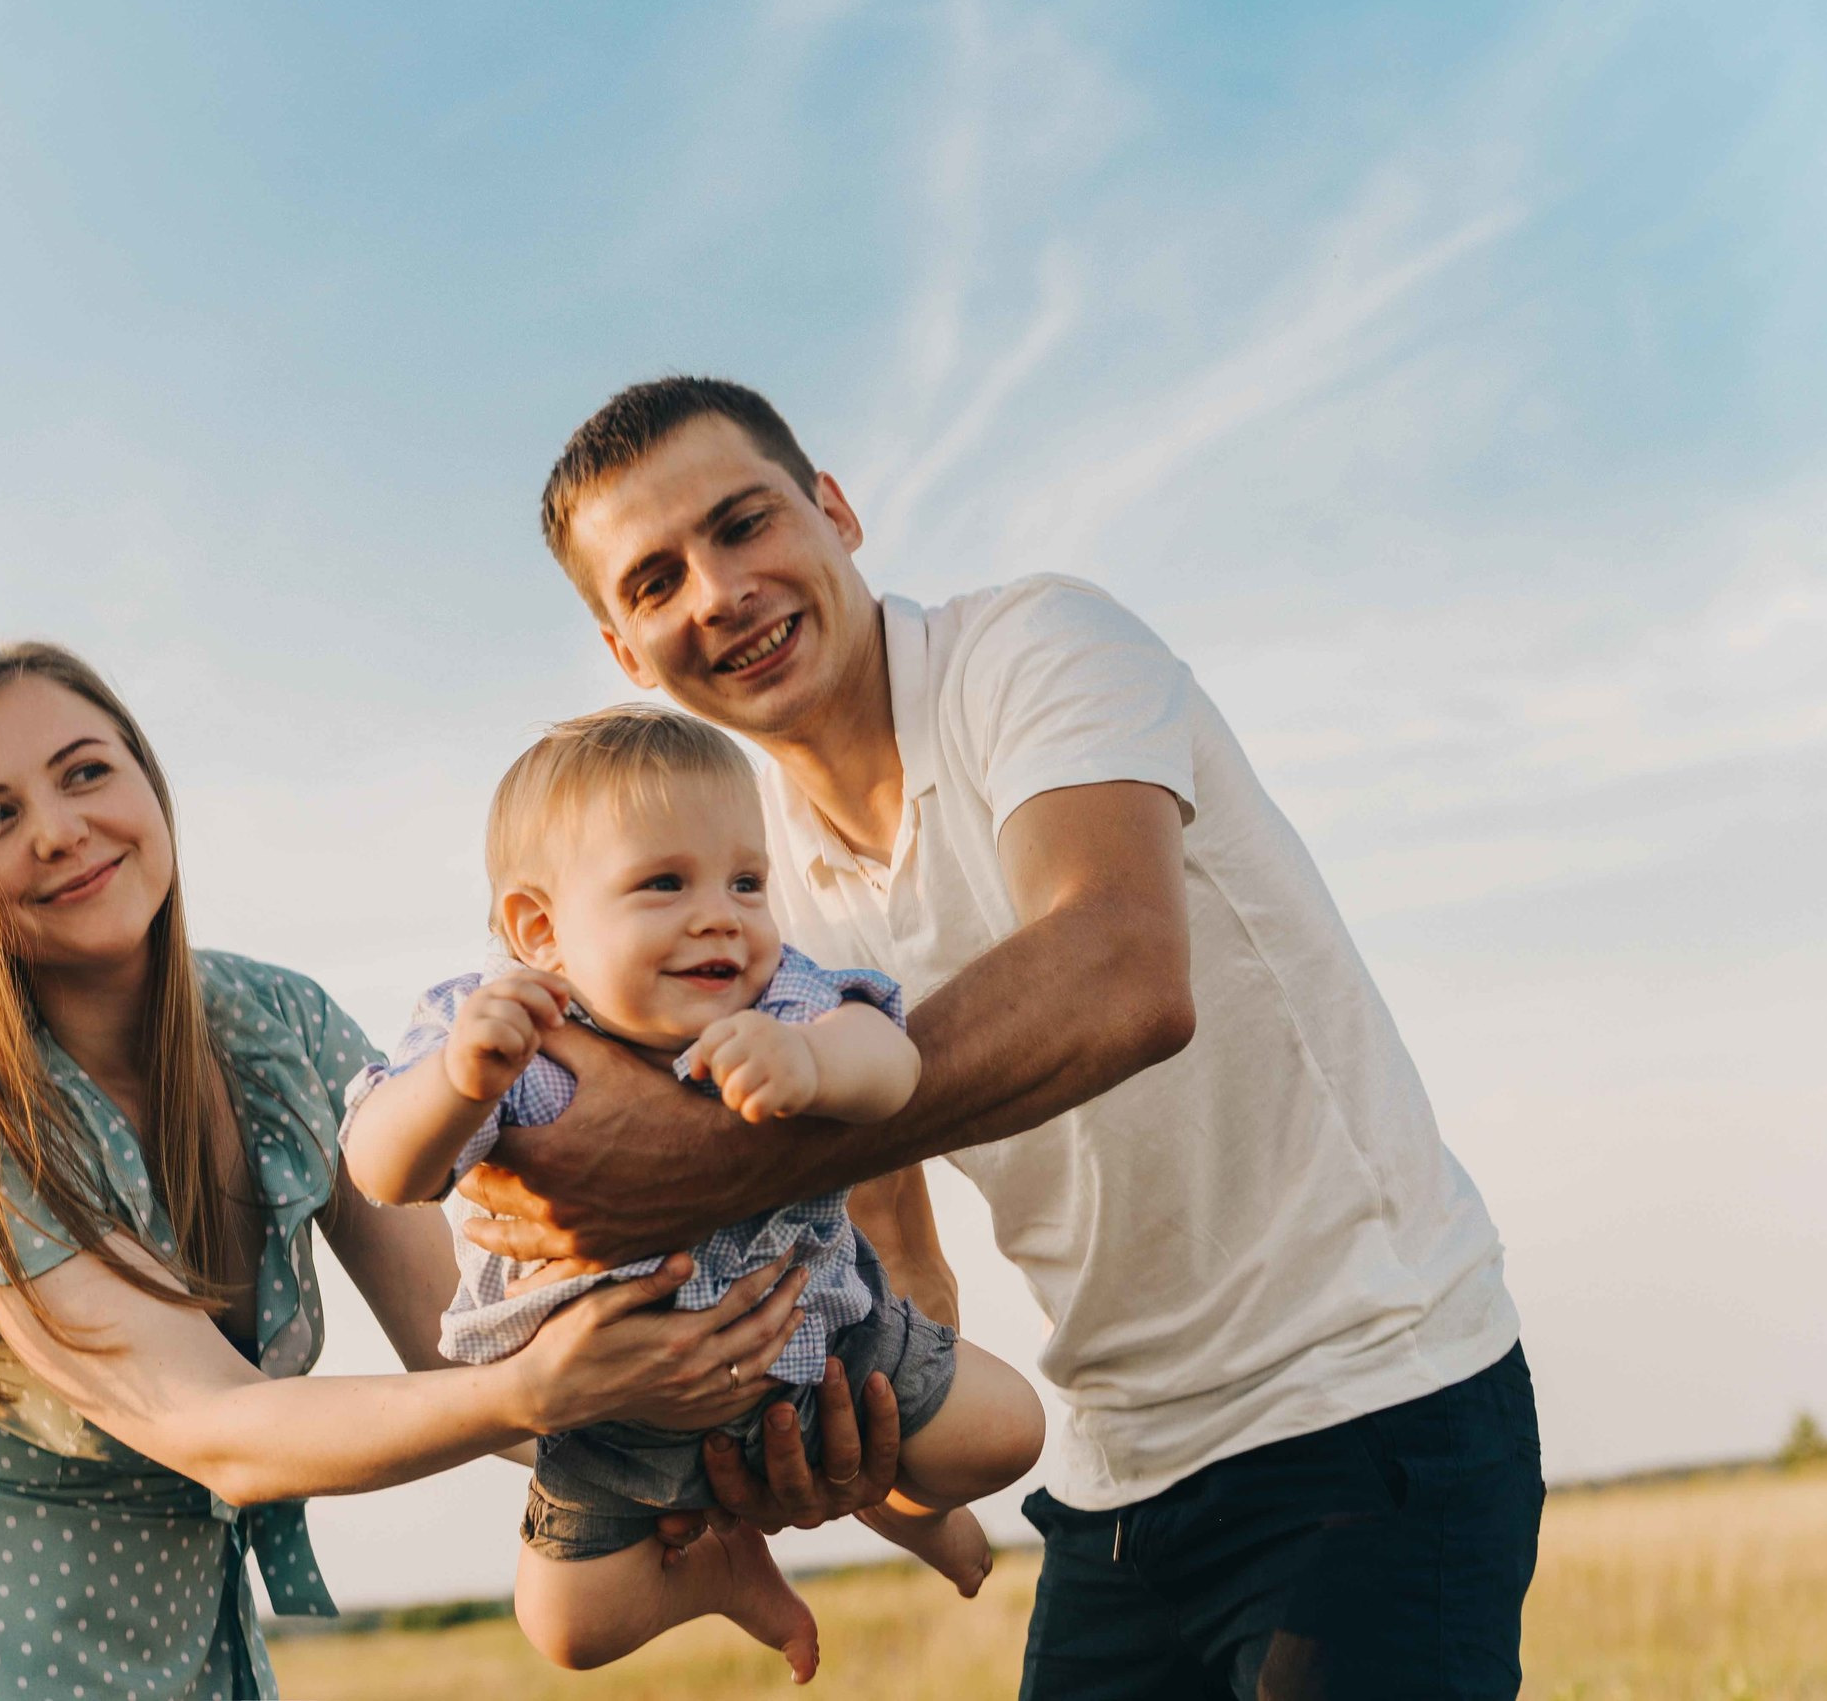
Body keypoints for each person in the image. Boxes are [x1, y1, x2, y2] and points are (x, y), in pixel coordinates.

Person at [456, 377, 1547, 1699]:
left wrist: (708, 1165)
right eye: (654, 582)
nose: (718, 591)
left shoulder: (1039, 652)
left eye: (745, 525)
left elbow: (1121, 971)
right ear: (630, 655)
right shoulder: (752, 897)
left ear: (836, 512)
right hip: (1120, 1469)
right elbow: (888, 1241)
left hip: (1372, 1401)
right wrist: (847, 1436)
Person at [0, 643, 825, 1701]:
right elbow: (215, 1427)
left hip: (188, 1648)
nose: (58, 828)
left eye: (87, 770)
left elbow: (455, 1348)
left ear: (147, 779)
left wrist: (730, 1446)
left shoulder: (278, 1023)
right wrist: (542, 1387)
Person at [341, 705, 1044, 1678]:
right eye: (665, 882)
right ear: (539, 927)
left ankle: (903, 1503)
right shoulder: (505, 1032)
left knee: (1009, 1430)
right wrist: (456, 1082)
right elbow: (385, 1171)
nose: (721, 912)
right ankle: (716, 1568)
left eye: (746, 880)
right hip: (612, 1403)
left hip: (820, 1339)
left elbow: (892, 1065)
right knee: (567, 1625)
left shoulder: (775, 1000)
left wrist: (810, 1059)